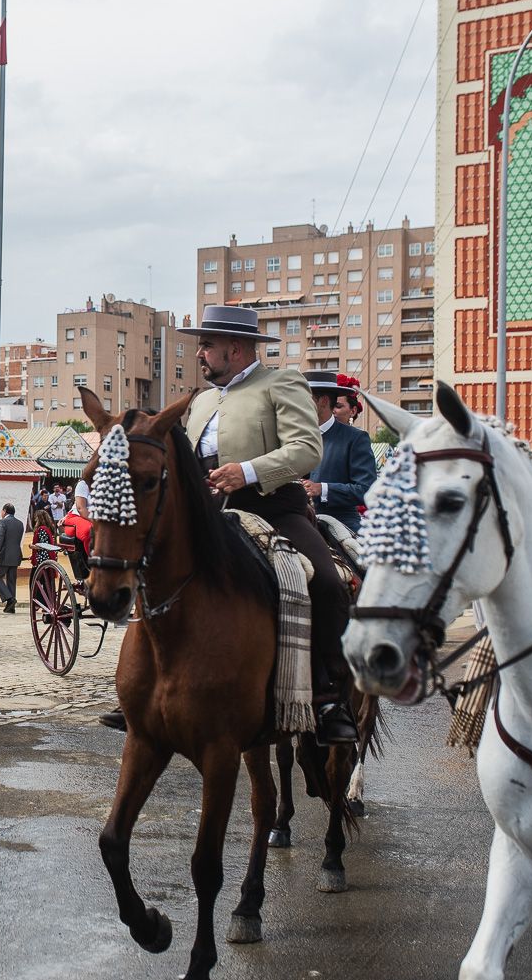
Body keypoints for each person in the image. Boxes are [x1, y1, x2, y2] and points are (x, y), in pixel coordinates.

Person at [181, 305, 356, 744]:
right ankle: (150, 688)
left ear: (235, 349)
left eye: (206, 345)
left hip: (275, 509)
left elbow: (306, 449)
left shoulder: (281, 383)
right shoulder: (201, 401)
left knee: (327, 585)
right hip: (210, 514)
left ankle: (331, 697)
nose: (199, 353)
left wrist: (248, 471)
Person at [302, 371, 377, 534]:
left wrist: (323, 489)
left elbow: (367, 489)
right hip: (298, 521)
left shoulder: (355, 438)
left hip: (342, 524)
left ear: (323, 401)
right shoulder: (294, 436)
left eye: (304, 399)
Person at [0, 502, 24, 613]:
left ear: (4, 511)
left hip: (3, 555)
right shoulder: (20, 523)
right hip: (16, 555)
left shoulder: (3, 522)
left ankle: (10, 599)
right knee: (11, 581)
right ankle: (11, 607)